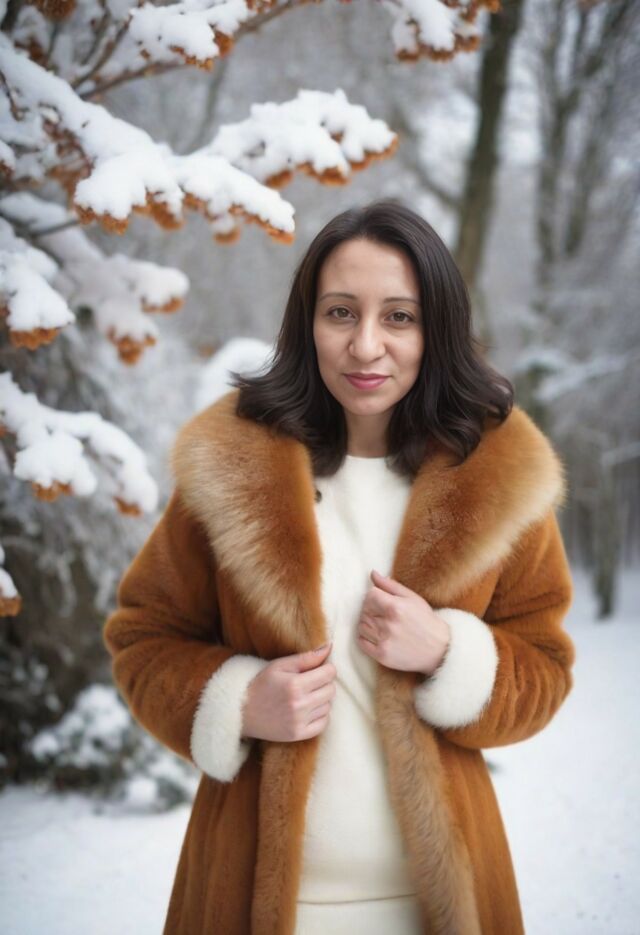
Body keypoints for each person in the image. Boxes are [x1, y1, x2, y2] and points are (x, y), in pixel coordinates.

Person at [103, 199, 576, 935]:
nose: (365, 345)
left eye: (399, 317)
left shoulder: (497, 473)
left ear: (437, 328)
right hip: (252, 902)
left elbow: (543, 667)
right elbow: (144, 638)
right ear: (308, 323)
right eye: (340, 313)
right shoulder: (233, 465)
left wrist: (451, 653)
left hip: (442, 905)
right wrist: (237, 701)